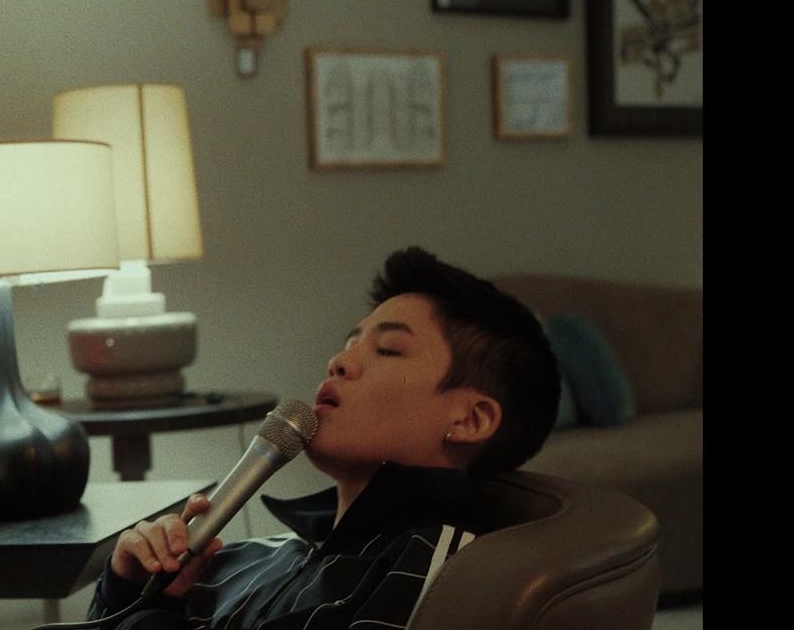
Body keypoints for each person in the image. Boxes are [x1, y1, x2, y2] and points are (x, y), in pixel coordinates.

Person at [87, 247, 561, 629]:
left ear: (472, 419)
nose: (340, 362)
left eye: (388, 349)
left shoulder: (442, 574)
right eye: (350, 343)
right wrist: (127, 586)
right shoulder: (249, 556)